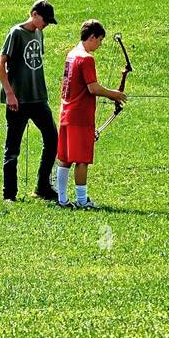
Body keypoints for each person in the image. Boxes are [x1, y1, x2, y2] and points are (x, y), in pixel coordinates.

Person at [56, 19, 125, 209]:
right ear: (92, 37)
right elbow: (92, 88)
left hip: (66, 112)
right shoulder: (86, 58)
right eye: (100, 40)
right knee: (81, 160)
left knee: (64, 158)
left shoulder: (71, 54)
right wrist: (114, 94)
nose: (100, 44)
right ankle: (81, 200)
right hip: (80, 116)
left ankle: (62, 199)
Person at [0, 0, 59, 202]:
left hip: (38, 98)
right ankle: (9, 194)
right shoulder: (16, 33)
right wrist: (10, 94)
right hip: (18, 100)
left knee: (52, 139)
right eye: (45, 20)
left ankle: (42, 186)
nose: (46, 24)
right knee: (12, 147)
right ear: (33, 14)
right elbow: (0, 65)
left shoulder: (39, 33)